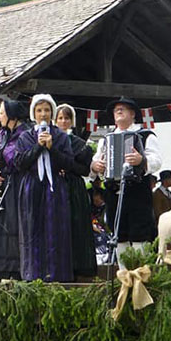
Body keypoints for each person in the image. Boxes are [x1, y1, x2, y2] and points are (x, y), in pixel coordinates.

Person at [90, 97, 162, 267]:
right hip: (114, 192)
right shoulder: (106, 140)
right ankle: (124, 276)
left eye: (123, 109)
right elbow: (94, 164)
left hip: (137, 190)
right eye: (116, 110)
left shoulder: (145, 135)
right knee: (118, 233)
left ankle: (140, 275)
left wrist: (141, 160)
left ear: (132, 114)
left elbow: (157, 160)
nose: (119, 112)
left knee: (140, 232)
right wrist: (96, 166)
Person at [15, 94, 74, 282]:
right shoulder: (25, 137)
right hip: (32, 186)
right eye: (39, 110)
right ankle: (33, 274)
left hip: (54, 186)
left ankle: (58, 275)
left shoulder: (61, 136)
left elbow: (69, 162)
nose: (43, 114)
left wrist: (51, 148)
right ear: (34, 113)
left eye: (47, 110)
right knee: (32, 230)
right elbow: (19, 163)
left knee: (56, 229)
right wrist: (38, 147)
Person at [0, 99, 29, 281]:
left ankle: (15, 270)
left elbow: (19, 160)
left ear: (11, 115)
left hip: (16, 185)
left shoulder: (25, 134)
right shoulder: (1, 135)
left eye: (2, 113)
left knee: (13, 226)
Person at [55, 103, 97, 279]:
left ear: (71, 121)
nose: (63, 121)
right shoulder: (51, 139)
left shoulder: (79, 143)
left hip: (74, 188)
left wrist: (67, 166)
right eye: (60, 118)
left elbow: (85, 169)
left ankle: (79, 267)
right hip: (56, 187)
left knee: (76, 226)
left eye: (66, 118)